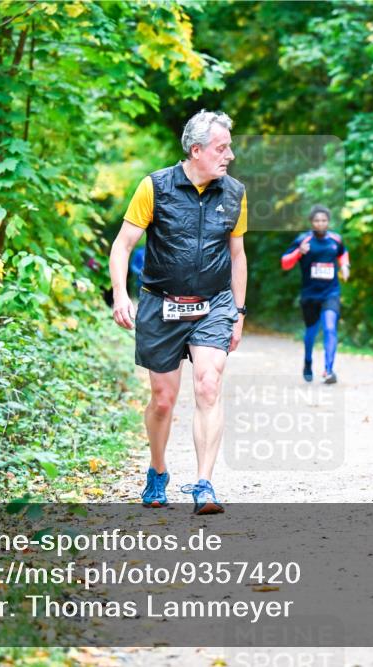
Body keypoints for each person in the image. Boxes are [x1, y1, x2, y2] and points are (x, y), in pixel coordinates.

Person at [108, 110, 248, 515]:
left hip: (214, 303)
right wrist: (120, 294)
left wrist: (238, 311)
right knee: (164, 399)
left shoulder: (234, 193)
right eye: (222, 148)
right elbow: (122, 245)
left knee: (208, 385)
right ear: (196, 149)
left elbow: (238, 257)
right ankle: (157, 470)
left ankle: (204, 484)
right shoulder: (154, 187)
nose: (230, 156)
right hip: (161, 302)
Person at [280, 205, 349, 384]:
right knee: (311, 332)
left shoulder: (336, 239)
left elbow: (343, 254)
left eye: (324, 220)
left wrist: (345, 266)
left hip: (331, 292)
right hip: (310, 294)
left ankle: (328, 370)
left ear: (328, 221)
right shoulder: (303, 240)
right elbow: (285, 263)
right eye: (317, 221)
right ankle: (308, 362)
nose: (320, 224)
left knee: (330, 327)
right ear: (311, 222)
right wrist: (298, 252)